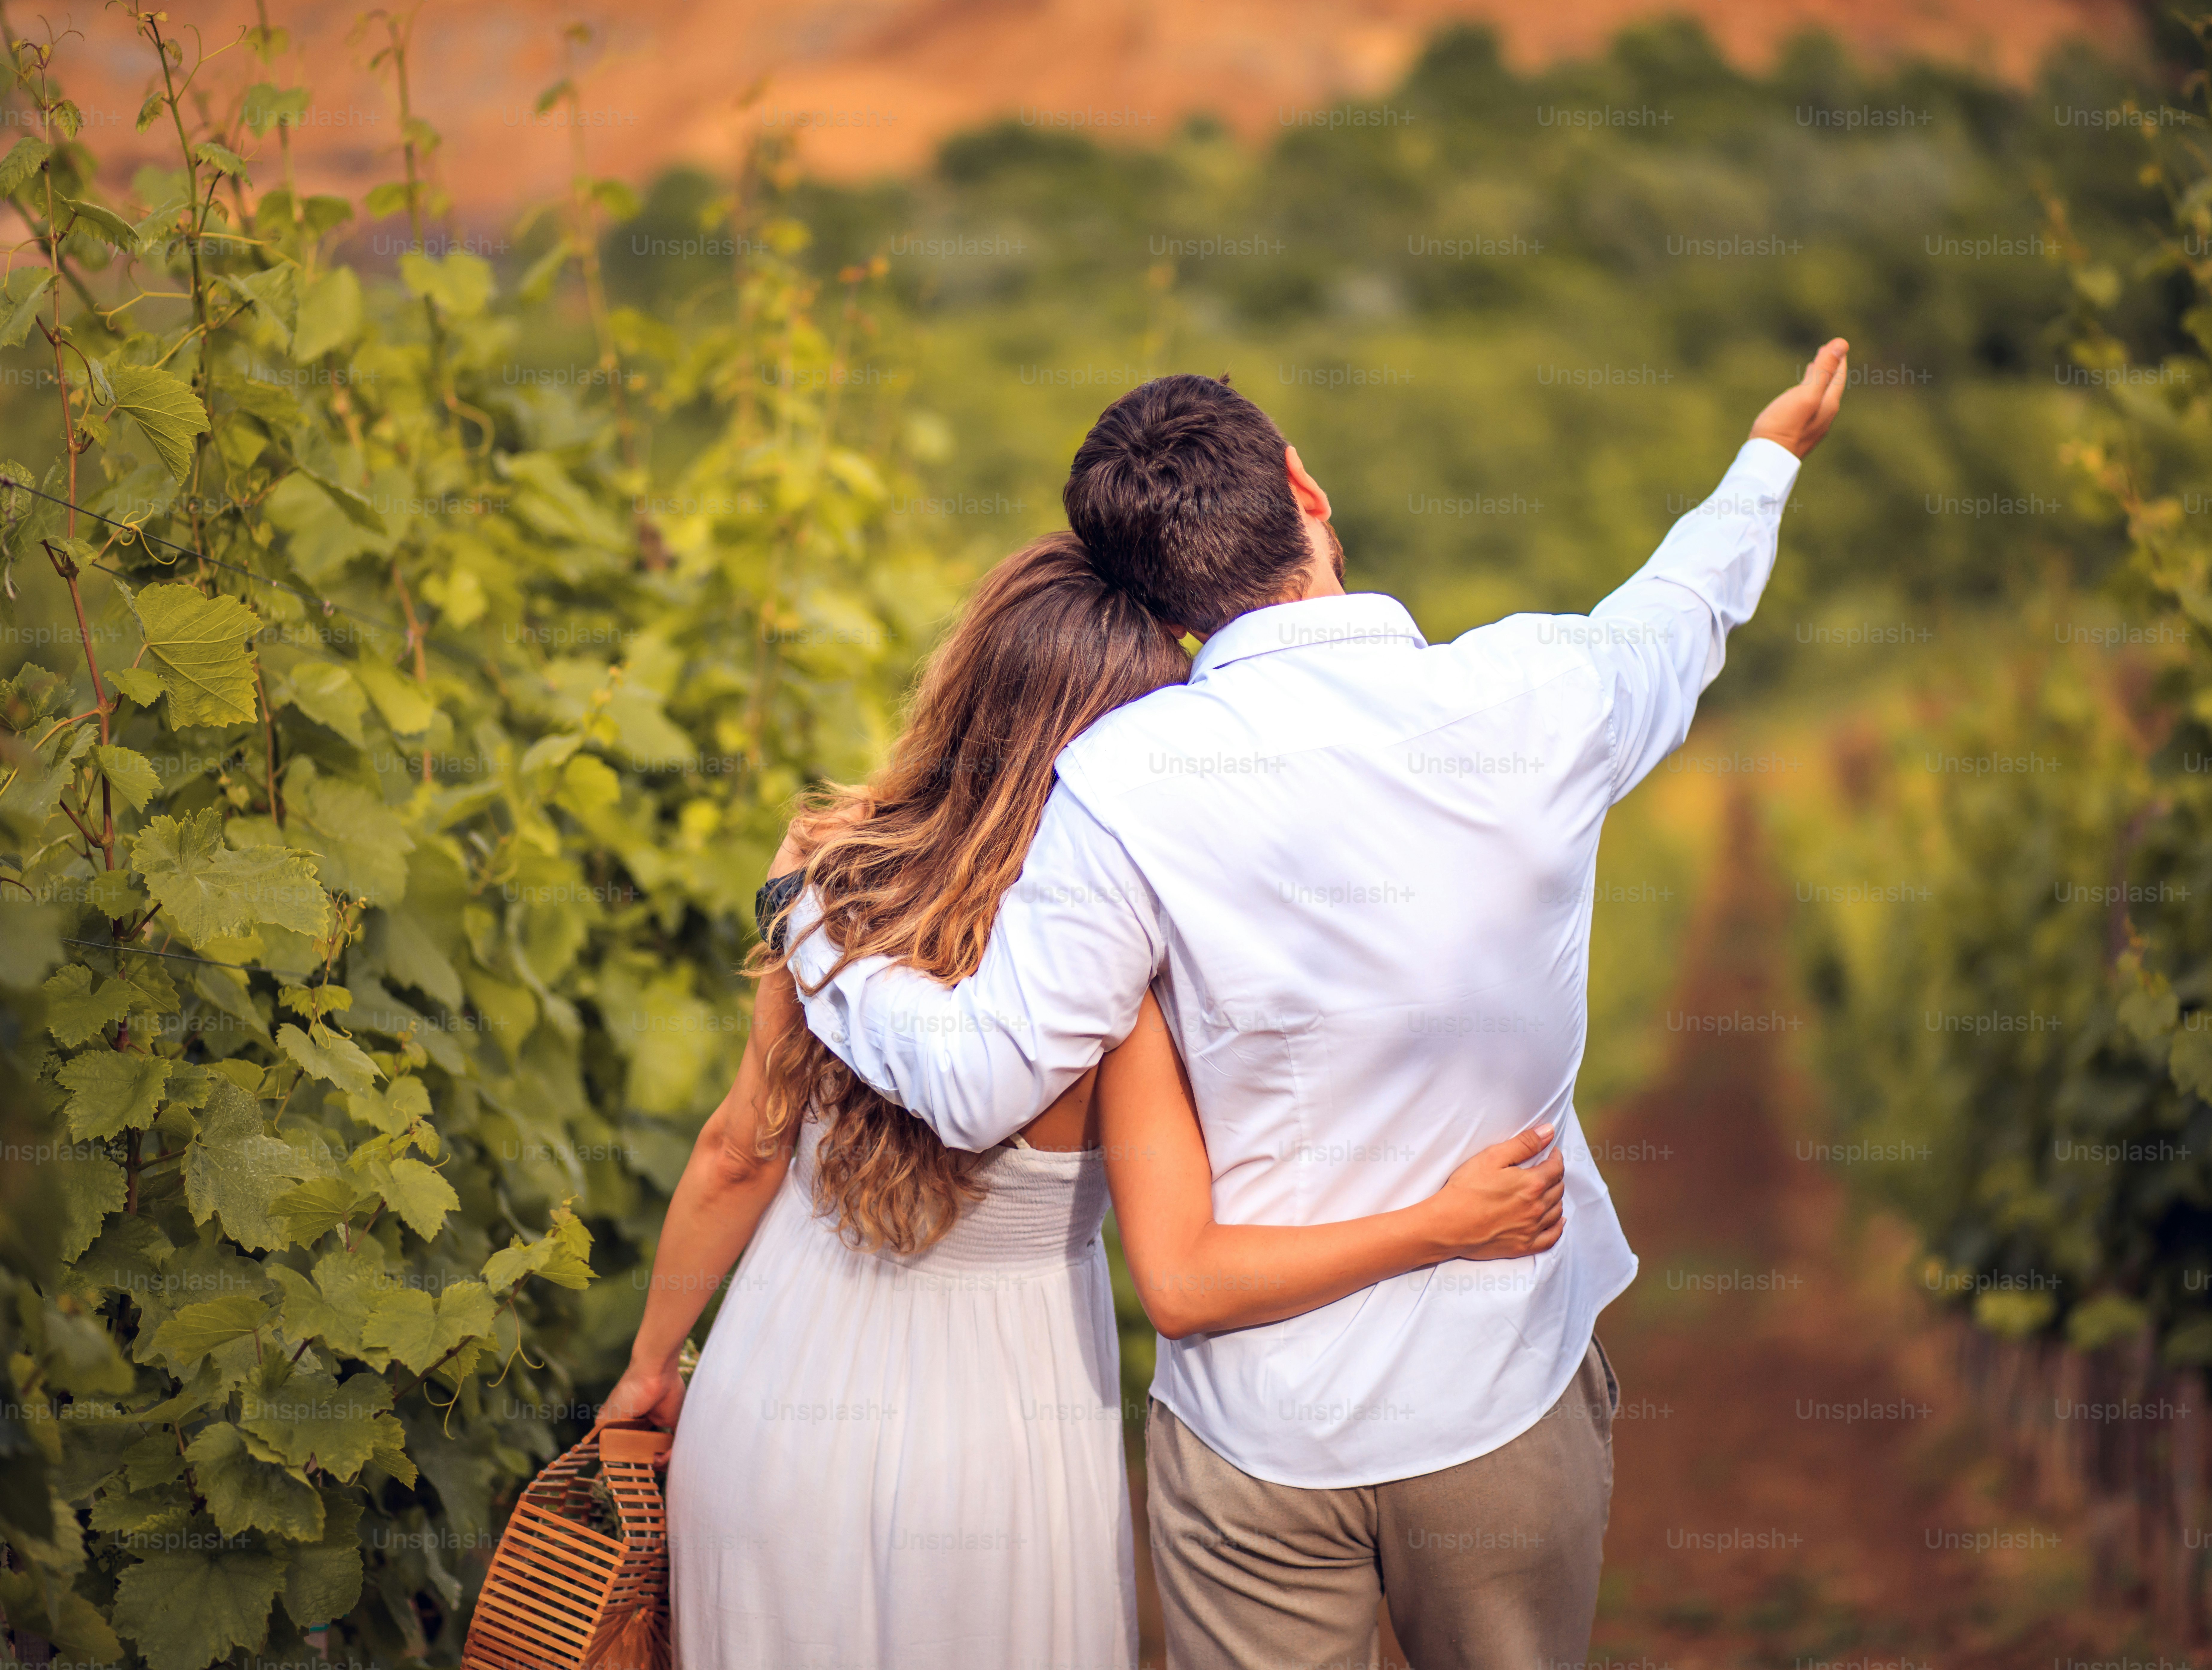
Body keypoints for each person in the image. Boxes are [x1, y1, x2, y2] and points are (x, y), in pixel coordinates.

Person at [776, 347, 1850, 1669]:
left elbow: (979, 1079)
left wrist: (810, 934)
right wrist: (1765, 460)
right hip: (1497, 1394)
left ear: (1154, 602)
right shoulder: (1530, 693)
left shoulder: (1115, 781)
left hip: (1254, 1443)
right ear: (1304, 487)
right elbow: (1674, 614)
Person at [597, 532, 1574, 1669]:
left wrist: (651, 1367)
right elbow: (1191, 1270)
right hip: (1006, 1435)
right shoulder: (1129, 985)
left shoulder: (830, 871)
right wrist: (1437, 1222)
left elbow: (735, 1153)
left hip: (775, 1402)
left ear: (968, 688)